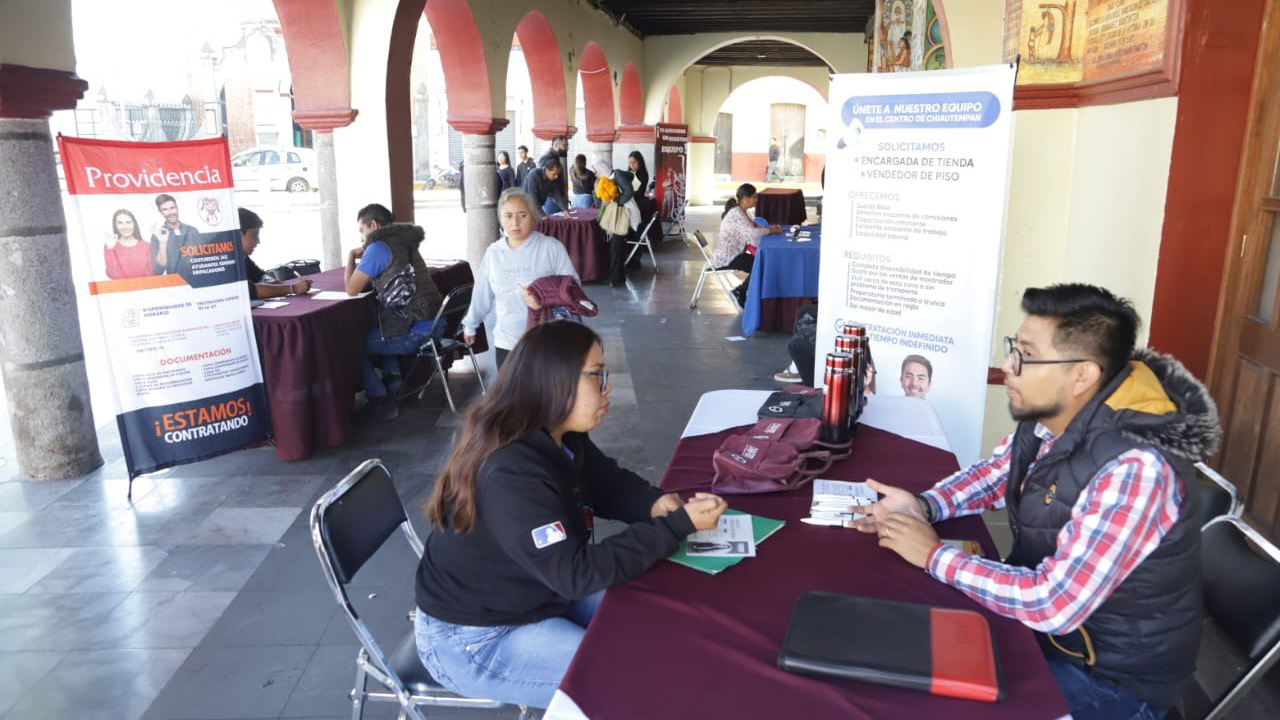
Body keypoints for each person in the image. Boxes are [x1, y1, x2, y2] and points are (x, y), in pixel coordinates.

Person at [850, 284, 1217, 720]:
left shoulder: (1137, 467)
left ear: (1082, 375)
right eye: (1013, 348)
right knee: (892, 650)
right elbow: (994, 474)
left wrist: (933, 555)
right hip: (1048, 637)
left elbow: (1053, 602)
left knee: (921, 700)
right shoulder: (1059, 415)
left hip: (1109, 681)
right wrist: (924, 506)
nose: (1007, 366)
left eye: (1025, 354)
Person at [414, 320, 729, 709]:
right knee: (626, 680)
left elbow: (605, 481)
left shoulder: (556, 433)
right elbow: (577, 574)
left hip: (539, 590)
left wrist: (652, 503)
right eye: (597, 376)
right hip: (476, 637)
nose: (607, 386)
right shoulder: (511, 471)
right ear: (553, 380)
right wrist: (677, 525)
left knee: (658, 609)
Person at [345, 202, 444, 421]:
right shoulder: (406, 242)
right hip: (436, 323)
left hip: (415, 331)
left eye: (362, 231)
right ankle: (393, 381)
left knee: (350, 345)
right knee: (381, 327)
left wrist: (351, 256)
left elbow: (351, 289)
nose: (362, 238)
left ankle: (380, 399)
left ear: (373, 224)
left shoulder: (378, 247)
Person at [461, 188, 578, 369]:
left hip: (546, 341)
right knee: (512, 397)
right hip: (507, 344)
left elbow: (573, 287)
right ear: (500, 219)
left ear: (532, 216)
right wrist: (471, 324)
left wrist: (544, 298)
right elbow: (481, 294)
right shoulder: (494, 253)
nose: (515, 222)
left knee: (546, 396)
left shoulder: (551, 248)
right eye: (508, 216)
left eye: (522, 215)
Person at [715, 183, 780, 307]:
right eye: (754, 197)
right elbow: (753, 234)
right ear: (745, 199)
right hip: (729, 256)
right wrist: (771, 230)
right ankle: (740, 291)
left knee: (762, 264)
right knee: (762, 266)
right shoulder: (738, 214)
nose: (756, 200)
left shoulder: (741, 212)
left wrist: (769, 228)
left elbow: (753, 227)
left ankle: (743, 291)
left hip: (734, 253)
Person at [237, 208, 313, 300]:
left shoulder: (242, 257)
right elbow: (249, 291)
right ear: (239, 234)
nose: (258, 241)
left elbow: (260, 275)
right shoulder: (225, 261)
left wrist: (272, 282)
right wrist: (293, 288)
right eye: (254, 234)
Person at [592, 159, 641, 287]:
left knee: (616, 246)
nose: (595, 174)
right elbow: (599, 204)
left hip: (624, 215)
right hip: (615, 217)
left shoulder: (617, 175)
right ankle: (616, 277)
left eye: (596, 171)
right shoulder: (603, 181)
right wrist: (595, 190)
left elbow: (629, 192)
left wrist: (616, 201)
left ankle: (616, 278)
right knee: (614, 246)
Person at [149, 193, 199, 275]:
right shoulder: (157, 236)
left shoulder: (192, 231)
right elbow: (158, 270)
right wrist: (162, 243)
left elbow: (201, 259)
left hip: (196, 280)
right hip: (175, 283)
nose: (170, 212)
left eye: (172, 208)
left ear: (177, 208)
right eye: (165, 209)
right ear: (160, 212)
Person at [103, 209, 153, 280]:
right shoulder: (109, 245)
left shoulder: (146, 246)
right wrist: (110, 249)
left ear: (134, 224)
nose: (125, 226)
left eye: (128, 222)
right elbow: (113, 275)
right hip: (123, 289)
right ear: (115, 225)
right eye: (120, 223)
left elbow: (152, 273)